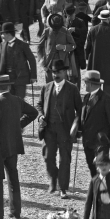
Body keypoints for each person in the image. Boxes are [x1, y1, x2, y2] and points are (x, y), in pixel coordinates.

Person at [0, 74, 39, 219]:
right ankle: (15, 211)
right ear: (9, 86)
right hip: (14, 144)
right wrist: (18, 125)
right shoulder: (17, 100)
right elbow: (33, 112)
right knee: (13, 177)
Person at [37, 59, 82, 199]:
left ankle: (63, 188)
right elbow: (39, 105)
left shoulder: (72, 88)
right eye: (54, 72)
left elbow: (80, 111)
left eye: (59, 72)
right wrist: (40, 117)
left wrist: (76, 126)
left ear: (65, 72)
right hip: (49, 128)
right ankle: (53, 179)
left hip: (65, 129)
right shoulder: (46, 88)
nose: (56, 74)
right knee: (48, 156)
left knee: (64, 160)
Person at [79, 70, 110, 178]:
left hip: (101, 141)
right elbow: (83, 117)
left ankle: (104, 190)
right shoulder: (86, 97)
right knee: (92, 167)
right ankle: (96, 188)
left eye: (86, 83)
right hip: (87, 140)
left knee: (101, 167)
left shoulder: (106, 99)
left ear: (92, 84)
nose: (84, 85)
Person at [0, 22, 37, 98]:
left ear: (8, 34)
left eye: (3, 33)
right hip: (6, 80)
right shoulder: (2, 45)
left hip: (20, 78)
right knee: (9, 101)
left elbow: (32, 60)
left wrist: (33, 76)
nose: (1, 36)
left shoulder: (23, 45)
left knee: (19, 100)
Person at [85, 9, 110, 97]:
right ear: (108, 19)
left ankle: (95, 97)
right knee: (107, 82)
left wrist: (86, 57)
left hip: (95, 58)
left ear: (100, 19)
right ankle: (106, 98)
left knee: (95, 80)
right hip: (108, 59)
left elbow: (87, 46)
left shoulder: (92, 29)